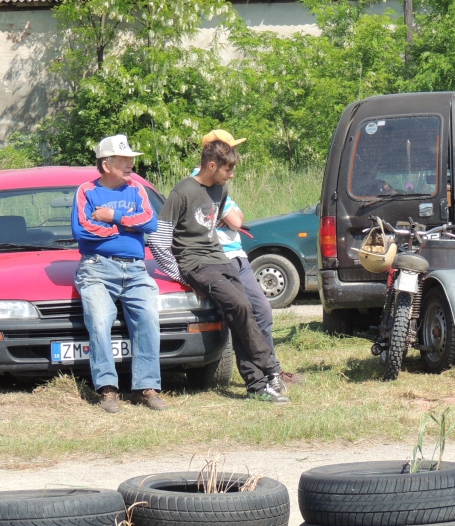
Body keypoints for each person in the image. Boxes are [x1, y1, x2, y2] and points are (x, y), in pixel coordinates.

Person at [147, 139, 289, 403]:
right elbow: (158, 239)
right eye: (228, 169)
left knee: (242, 313)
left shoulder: (220, 190)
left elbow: (215, 224)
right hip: (197, 265)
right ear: (212, 165)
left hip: (221, 260)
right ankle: (270, 370)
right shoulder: (182, 192)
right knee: (240, 306)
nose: (231, 174)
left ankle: (256, 386)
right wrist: (181, 275)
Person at [195, 130, 304, 390]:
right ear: (215, 154)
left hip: (237, 256)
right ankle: (263, 375)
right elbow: (235, 220)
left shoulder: (221, 186)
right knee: (248, 313)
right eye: (230, 148)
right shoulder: (200, 185)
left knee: (261, 311)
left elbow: (240, 218)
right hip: (221, 259)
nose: (235, 154)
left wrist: (232, 217)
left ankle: (269, 370)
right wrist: (230, 217)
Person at [71, 134, 167, 413]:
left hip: (136, 269)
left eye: (130, 160)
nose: (130, 165)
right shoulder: (86, 191)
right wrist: (126, 229)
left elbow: (150, 222)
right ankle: (107, 390)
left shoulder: (137, 189)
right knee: (100, 320)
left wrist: (113, 218)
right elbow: (82, 231)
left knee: (148, 318)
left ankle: (147, 387)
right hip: (97, 268)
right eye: (124, 160)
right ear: (106, 164)